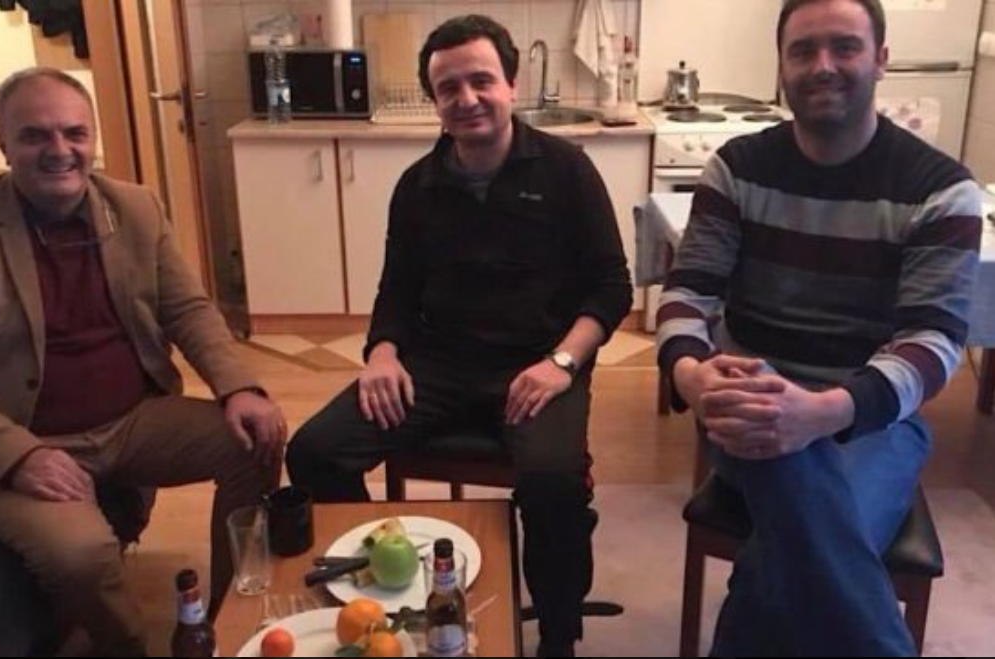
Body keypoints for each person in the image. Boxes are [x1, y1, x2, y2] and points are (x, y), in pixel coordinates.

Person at [286, 15, 631, 657]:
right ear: (434, 100)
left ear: (511, 85)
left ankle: (558, 635)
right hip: (439, 363)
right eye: (449, 88)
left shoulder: (567, 170)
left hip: (537, 363)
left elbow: (611, 288)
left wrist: (562, 363)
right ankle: (380, 590)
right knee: (314, 452)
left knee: (553, 483)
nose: (467, 98)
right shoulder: (417, 186)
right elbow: (396, 291)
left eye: (481, 81)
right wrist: (382, 354)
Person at [657, 0, 983, 655]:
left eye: (844, 47)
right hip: (749, 396)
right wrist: (692, 377)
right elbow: (688, 292)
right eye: (802, 50)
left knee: (799, 545)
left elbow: (933, 341)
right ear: (781, 65)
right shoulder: (737, 168)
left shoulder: (941, 189)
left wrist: (822, 411)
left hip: (870, 418)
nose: (822, 65)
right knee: (819, 528)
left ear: (880, 60)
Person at [0, 68, 286, 656]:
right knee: (81, 554)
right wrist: (18, 455)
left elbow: (188, 309)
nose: (59, 150)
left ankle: (223, 624)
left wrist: (239, 388)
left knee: (259, 440)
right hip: (26, 436)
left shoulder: (136, 207)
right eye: (35, 135)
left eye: (74, 133)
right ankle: (127, 647)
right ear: (3, 143)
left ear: (93, 137)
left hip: (132, 420)